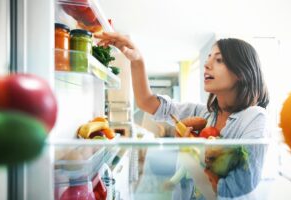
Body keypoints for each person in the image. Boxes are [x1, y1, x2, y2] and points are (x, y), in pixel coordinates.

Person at [95, 32, 270, 199]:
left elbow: (232, 191)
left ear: (240, 72)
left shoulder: (254, 118)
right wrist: (137, 59)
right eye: (208, 57)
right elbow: (147, 102)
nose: (207, 64)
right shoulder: (202, 114)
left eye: (218, 60)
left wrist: (189, 153)